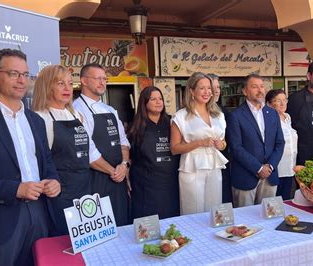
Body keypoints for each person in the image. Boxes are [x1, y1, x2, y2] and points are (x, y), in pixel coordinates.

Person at [0, 49, 61, 265]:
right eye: (13, 73)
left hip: (39, 215)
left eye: (25, 74)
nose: (21, 81)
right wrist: (14, 189)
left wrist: (54, 181)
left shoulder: (35, 120)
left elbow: (47, 162)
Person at [32, 65, 118, 235]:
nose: (67, 88)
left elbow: (89, 153)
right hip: (59, 193)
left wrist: (116, 169)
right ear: (47, 86)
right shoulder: (39, 118)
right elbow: (37, 162)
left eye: (70, 84)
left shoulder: (76, 115)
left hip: (85, 189)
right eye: (60, 83)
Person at [73, 63, 130, 226]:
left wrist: (124, 165)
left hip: (118, 177)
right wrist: (113, 171)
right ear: (83, 80)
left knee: (122, 223)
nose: (102, 82)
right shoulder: (76, 110)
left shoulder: (110, 110)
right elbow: (87, 150)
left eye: (104, 79)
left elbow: (123, 141)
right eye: (97, 78)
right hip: (95, 180)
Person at [171, 72, 228, 215]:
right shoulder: (181, 116)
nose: (207, 92)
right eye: (202, 88)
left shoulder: (218, 115)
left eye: (209, 88)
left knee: (215, 211)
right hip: (192, 167)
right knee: (193, 210)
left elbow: (223, 142)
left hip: (214, 165)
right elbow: (174, 148)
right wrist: (200, 142)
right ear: (191, 91)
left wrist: (221, 145)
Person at [227, 74, 285, 207]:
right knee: (245, 222)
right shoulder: (235, 116)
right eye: (254, 87)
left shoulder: (272, 113)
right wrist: (258, 168)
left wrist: (270, 166)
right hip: (246, 177)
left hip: (270, 176)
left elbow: (280, 143)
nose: (260, 90)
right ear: (245, 91)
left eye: (262, 86)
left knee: (269, 219)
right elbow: (236, 147)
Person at [128, 86, 180, 219]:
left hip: (169, 183)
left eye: (160, 99)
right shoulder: (135, 126)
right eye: (153, 99)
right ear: (144, 103)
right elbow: (129, 156)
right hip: (145, 184)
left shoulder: (172, 123)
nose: (159, 102)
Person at [265, 89, 297, 200]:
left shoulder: (288, 117)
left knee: (287, 201)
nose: (283, 103)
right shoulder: (268, 120)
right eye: (278, 101)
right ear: (269, 104)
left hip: (290, 168)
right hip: (277, 168)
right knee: (275, 203)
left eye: (284, 100)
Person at [207, 73, 232, 204]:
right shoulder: (188, 113)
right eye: (212, 87)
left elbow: (229, 141)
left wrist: (222, 144)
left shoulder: (223, 113)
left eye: (218, 87)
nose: (216, 91)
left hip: (221, 164)